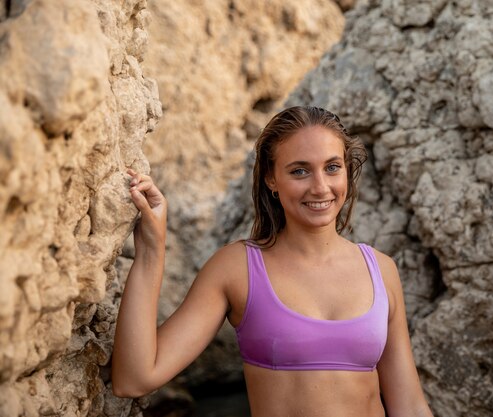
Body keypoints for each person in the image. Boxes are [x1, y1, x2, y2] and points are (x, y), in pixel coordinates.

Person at [112, 106, 434, 417]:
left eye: (332, 167)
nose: (320, 186)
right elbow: (135, 378)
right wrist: (151, 253)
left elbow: (410, 407)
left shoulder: (381, 270)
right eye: (300, 171)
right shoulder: (238, 269)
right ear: (271, 179)